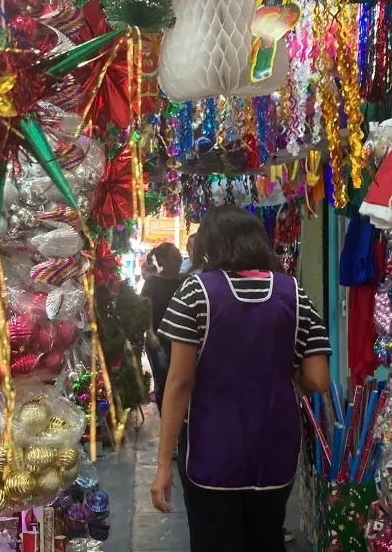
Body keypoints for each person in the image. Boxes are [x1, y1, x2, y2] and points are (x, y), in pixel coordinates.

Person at [150, 205, 331, 552]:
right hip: (274, 447)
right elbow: (319, 379)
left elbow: (178, 383)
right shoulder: (293, 293)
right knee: (266, 538)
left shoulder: (196, 293)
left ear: (210, 246)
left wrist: (162, 465)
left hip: (212, 448)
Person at [141, 242, 185, 415]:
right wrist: (150, 332)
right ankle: (166, 416)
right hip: (159, 339)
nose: (180, 260)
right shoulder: (152, 283)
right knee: (164, 380)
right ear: (164, 261)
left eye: (179, 256)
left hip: (182, 339)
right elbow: (146, 310)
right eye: (175, 257)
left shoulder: (186, 280)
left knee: (182, 379)